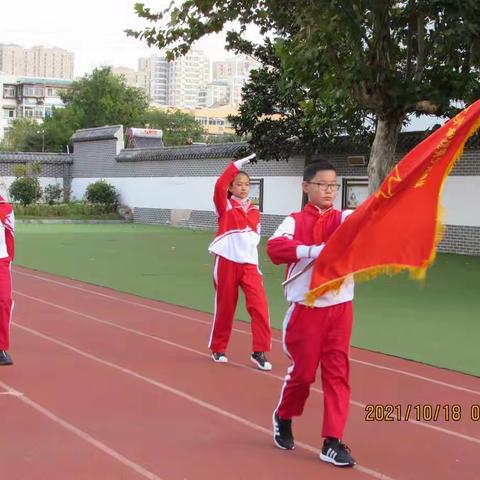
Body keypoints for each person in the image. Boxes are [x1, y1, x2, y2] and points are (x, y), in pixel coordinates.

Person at [266, 160, 356, 467]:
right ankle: (284, 415)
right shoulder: (293, 221)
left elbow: (368, 219)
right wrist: (311, 251)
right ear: (306, 187)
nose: (330, 191)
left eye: (334, 185)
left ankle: (332, 440)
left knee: (337, 373)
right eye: (322, 185)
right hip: (306, 309)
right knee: (303, 375)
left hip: (340, 306)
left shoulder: (344, 217)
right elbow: (275, 249)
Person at [208, 153, 272, 370]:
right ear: (231, 187)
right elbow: (219, 186)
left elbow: (255, 237)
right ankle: (218, 348)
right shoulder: (224, 206)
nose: (243, 188)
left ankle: (259, 351)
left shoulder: (255, 210)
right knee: (225, 307)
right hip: (227, 261)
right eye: (238, 184)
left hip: (249, 265)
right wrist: (234, 166)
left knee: (260, 307)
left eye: (246, 184)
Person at [0, 195, 15, 366]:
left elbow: (10, 234)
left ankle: (1, 348)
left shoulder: (6, 209)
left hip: (1, 261)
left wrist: (9, 260)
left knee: (4, 301)